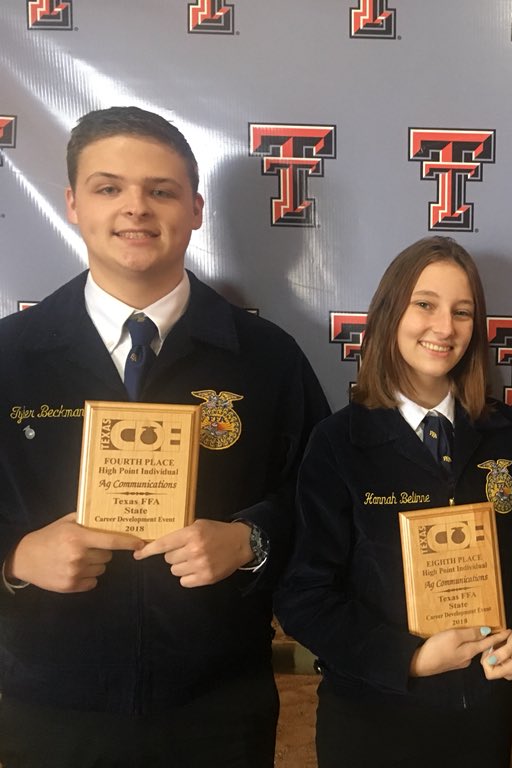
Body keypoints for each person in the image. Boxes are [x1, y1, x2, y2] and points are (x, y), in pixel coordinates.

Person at [0, 106, 330, 767]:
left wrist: (250, 538)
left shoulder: (265, 359)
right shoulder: (11, 357)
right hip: (50, 705)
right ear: (71, 202)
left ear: (197, 208)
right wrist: (15, 558)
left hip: (217, 705)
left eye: (161, 190)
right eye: (109, 187)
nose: (135, 209)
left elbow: (323, 502)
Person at [275, 236, 512, 768]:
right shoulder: (337, 441)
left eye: (462, 312)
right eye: (425, 304)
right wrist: (412, 659)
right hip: (373, 720)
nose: (444, 327)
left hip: (482, 715)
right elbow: (304, 596)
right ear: (389, 311)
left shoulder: (503, 431)